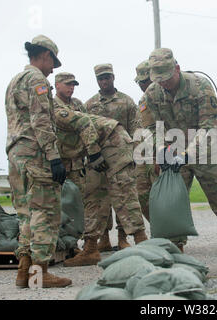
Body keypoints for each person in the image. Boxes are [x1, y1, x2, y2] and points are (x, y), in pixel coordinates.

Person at [141, 48, 217, 269]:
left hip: (207, 150)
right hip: (173, 152)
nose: (163, 83)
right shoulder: (151, 94)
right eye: (158, 79)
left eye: (166, 77)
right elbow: (149, 128)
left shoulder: (201, 86)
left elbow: (208, 126)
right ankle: (177, 253)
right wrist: (162, 148)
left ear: (177, 69)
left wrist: (187, 154)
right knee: (170, 203)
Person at [54, 74, 148, 268]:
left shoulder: (54, 110)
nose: (71, 88)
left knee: (123, 193)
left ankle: (143, 244)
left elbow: (85, 124)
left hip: (113, 142)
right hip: (96, 148)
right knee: (93, 196)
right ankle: (91, 248)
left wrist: (94, 153)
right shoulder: (53, 110)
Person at [5, 35, 71, 288]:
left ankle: (24, 271)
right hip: (36, 153)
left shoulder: (14, 81)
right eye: (53, 61)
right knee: (46, 211)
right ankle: (39, 272)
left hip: (16, 154)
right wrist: (54, 157)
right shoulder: (36, 80)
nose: (53, 68)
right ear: (44, 55)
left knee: (26, 214)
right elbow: (41, 120)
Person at [84, 63, 143, 252]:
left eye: (107, 77)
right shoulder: (90, 104)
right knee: (99, 200)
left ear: (113, 77)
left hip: (121, 157)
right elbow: (85, 131)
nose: (104, 81)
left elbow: (136, 127)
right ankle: (103, 239)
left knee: (123, 196)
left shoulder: (126, 101)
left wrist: (135, 151)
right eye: (100, 78)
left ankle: (123, 236)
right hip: (98, 160)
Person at [134, 60, 157, 225]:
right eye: (140, 82)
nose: (143, 85)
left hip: (159, 153)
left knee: (160, 195)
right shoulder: (143, 100)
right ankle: (158, 226)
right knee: (141, 194)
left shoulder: (161, 97)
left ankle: (167, 234)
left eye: (146, 81)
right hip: (143, 154)